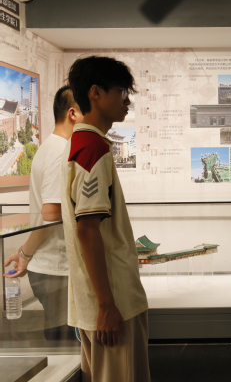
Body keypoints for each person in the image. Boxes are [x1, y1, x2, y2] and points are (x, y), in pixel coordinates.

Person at [63, 56, 150, 382]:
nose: (127, 101)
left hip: (103, 302)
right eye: (122, 91)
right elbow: (87, 231)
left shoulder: (82, 143)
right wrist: (106, 306)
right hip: (114, 305)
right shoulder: (92, 150)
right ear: (96, 93)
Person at [4, 86, 83, 342]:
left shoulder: (50, 147)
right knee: (65, 346)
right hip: (55, 268)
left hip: (53, 266)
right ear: (72, 113)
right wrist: (25, 253)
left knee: (62, 341)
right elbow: (51, 213)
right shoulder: (61, 150)